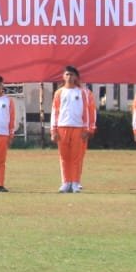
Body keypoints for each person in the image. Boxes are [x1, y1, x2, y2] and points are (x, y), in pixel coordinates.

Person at [51, 65, 96, 193]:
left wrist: (87, 129)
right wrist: (53, 130)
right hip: (62, 127)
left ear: (76, 77)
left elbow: (86, 111)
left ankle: (75, 182)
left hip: (78, 127)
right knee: (64, 156)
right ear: (63, 77)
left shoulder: (82, 93)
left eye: (72, 75)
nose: (69, 77)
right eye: (67, 74)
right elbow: (55, 112)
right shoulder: (59, 93)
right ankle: (66, 182)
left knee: (76, 157)